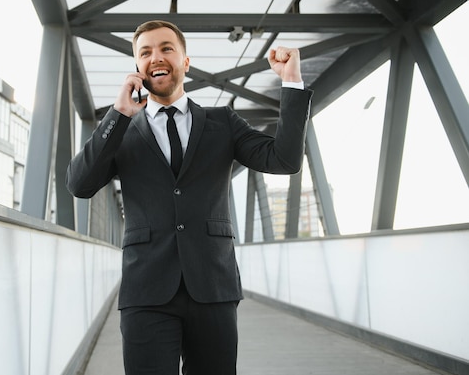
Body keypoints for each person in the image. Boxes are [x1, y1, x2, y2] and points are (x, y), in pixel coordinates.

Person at [66, 20, 312, 375]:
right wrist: (117, 115)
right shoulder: (122, 131)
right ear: (137, 67)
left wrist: (291, 81)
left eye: (166, 48)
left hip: (213, 286)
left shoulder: (222, 122)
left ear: (186, 62)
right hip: (146, 292)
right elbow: (79, 185)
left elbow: (284, 160)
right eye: (145, 52)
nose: (156, 57)